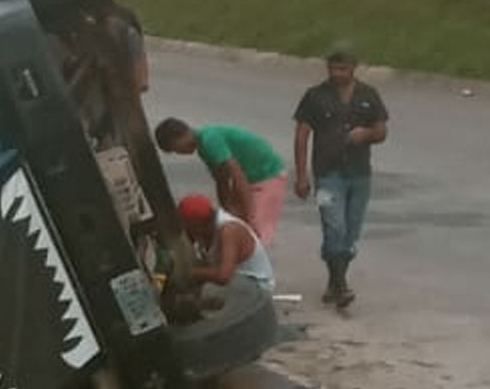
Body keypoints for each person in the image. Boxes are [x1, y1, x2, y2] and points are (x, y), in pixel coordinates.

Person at [293, 47, 389, 308]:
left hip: (359, 174)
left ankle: (335, 282)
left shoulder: (368, 95)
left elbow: (381, 130)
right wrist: (301, 175)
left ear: (354, 67)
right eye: (333, 68)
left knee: (350, 233)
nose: (337, 74)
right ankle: (341, 285)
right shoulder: (315, 96)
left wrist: (365, 135)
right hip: (327, 173)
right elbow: (302, 134)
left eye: (343, 69)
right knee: (334, 227)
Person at [155, 118, 288, 247]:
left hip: (268, 174)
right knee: (237, 224)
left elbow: (237, 175)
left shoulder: (209, 140)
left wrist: (249, 214)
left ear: (179, 137)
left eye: (175, 148)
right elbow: (221, 179)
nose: (179, 153)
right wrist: (227, 209)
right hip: (251, 178)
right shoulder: (203, 147)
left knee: (255, 230)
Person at [174, 192, 275, 318]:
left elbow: (224, 276)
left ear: (199, 225)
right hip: (238, 280)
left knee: (207, 292)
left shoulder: (228, 230)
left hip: (256, 286)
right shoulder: (206, 230)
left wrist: (191, 273)